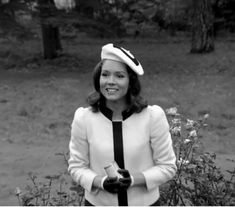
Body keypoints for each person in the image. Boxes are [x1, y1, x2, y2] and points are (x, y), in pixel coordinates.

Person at [68, 43, 177, 206]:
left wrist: (133, 180)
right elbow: (76, 167)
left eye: (119, 76)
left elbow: (167, 166)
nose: (110, 81)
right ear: (98, 79)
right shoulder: (84, 118)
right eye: (105, 75)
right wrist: (100, 182)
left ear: (130, 82)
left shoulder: (152, 117)